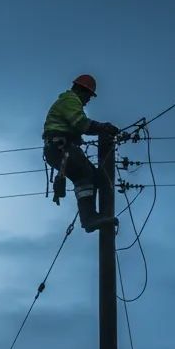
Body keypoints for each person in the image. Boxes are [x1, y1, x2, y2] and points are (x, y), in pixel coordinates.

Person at [43, 74, 120, 232]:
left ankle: (99, 217)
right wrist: (103, 127)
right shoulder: (70, 100)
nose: (88, 100)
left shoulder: (70, 101)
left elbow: (77, 128)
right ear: (82, 91)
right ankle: (89, 218)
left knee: (99, 179)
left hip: (62, 148)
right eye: (89, 96)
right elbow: (82, 124)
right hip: (59, 148)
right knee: (84, 175)